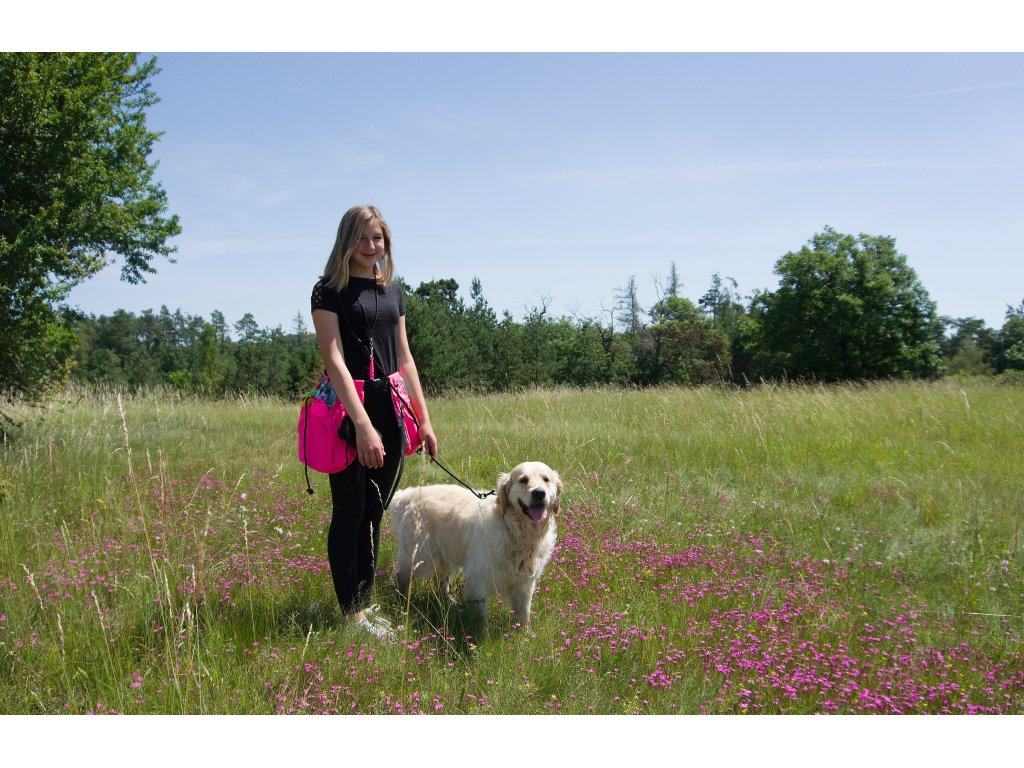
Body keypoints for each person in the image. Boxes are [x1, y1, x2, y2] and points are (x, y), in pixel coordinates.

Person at [310, 205, 438, 641]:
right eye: (363, 238)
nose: (371, 247)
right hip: (352, 409)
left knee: (374, 511)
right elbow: (334, 360)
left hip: (391, 405)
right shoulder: (328, 291)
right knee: (349, 510)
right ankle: (351, 615)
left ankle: (362, 603)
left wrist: (424, 420)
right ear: (347, 241)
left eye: (378, 238)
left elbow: (404, 358)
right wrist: (362, 424)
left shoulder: (393, 291)